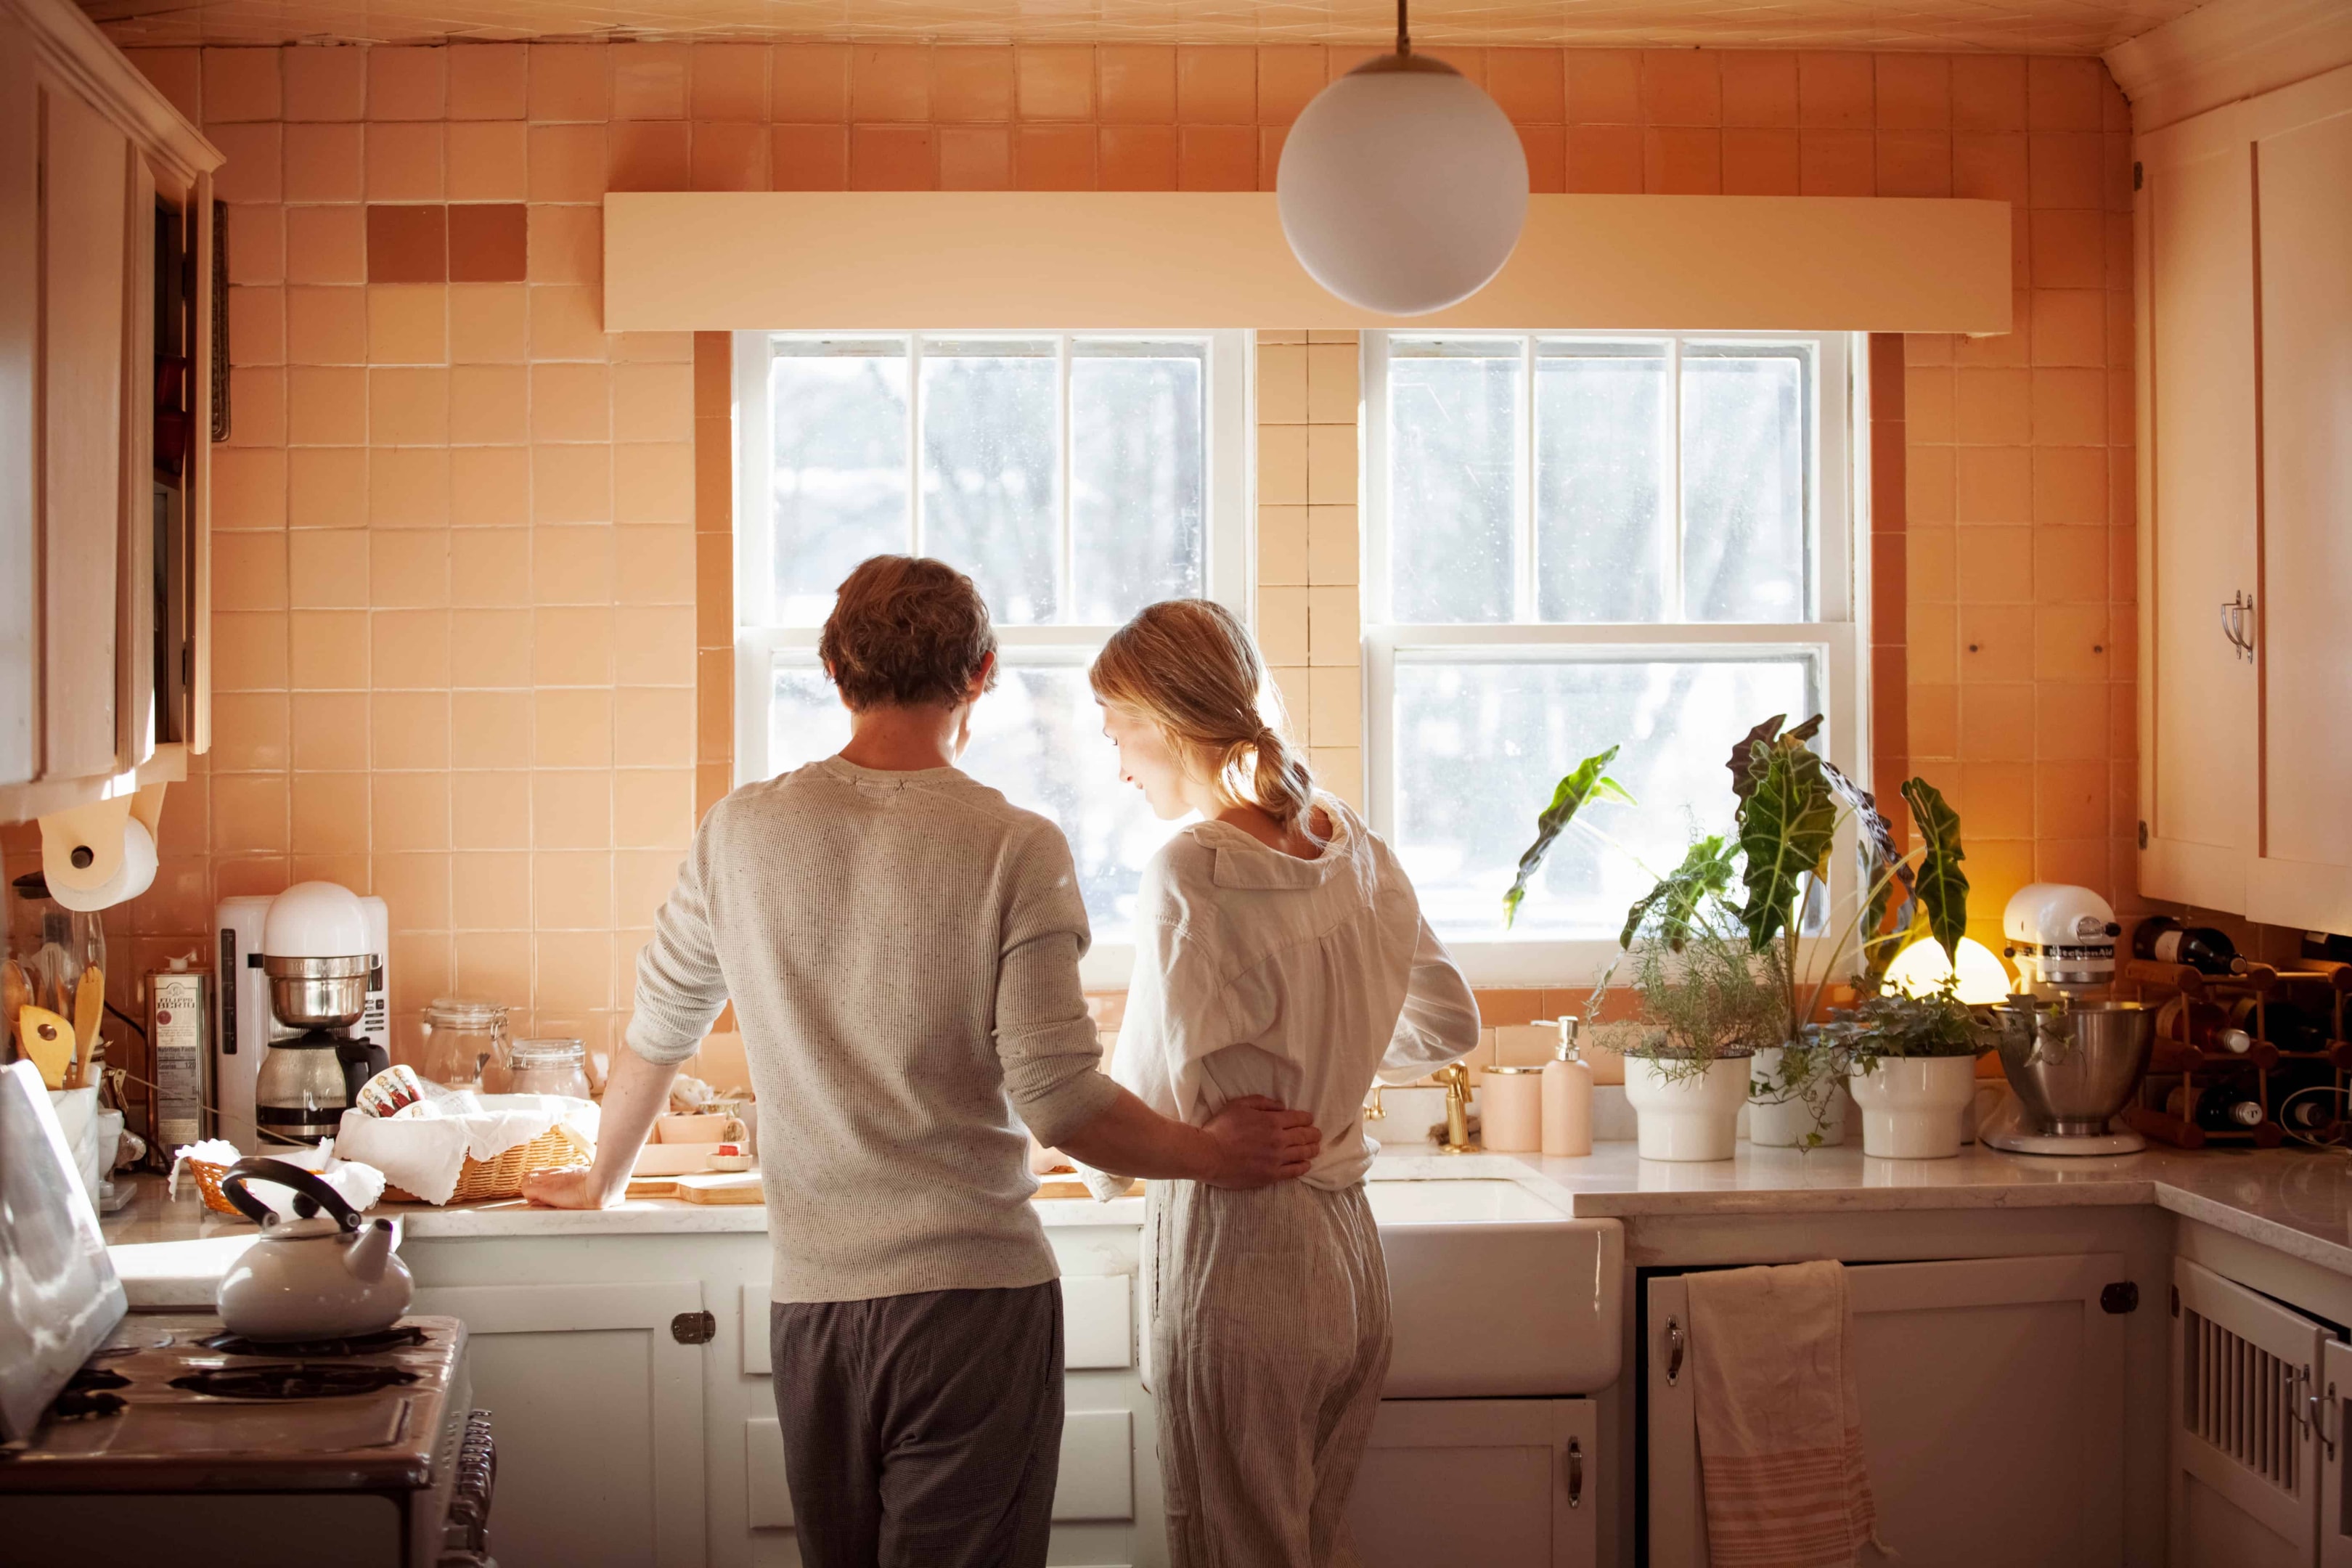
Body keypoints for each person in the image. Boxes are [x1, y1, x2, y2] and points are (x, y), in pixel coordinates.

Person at [523, 556, 1321, 1568]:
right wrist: (1216, 1154)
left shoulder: (741, 832)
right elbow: (1061, 1102)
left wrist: (603, 1181)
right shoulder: (1015, 847)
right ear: (981, 672)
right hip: (973, 1310)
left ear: (831, 667)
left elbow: (661, 1024)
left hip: (815, 1312)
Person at [1079, 598, 1482, 1568]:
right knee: (1310, 1540)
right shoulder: (1353, 846)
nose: (1117, 764)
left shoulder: (1195, 869)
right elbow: (1450, 1026)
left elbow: (1145, 1098)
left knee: (1233, 1550)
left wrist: (1090, 1161)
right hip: (1349, 1260)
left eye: (1118, 732)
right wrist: (1328, 1065)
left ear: (1169, 724)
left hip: (1243, 1257)